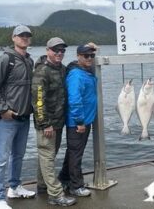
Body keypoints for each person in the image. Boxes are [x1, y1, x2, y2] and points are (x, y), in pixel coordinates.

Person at [0, 25, 36, 209]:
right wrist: (2, 110)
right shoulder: (5, 59)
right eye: (21, 35)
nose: (24, 38)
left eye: (27, 36)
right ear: (13, 38)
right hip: (7, 119)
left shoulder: (29, 61)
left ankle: (14, 188)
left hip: (24, 118)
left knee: (18, 156)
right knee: (0, 159)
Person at [31, 37, 76, 206]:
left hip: (58, 122)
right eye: (56, 50)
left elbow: (74, 66)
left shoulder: (62, 69)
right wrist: (45, 124)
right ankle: (55, 194)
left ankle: (43, 186)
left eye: (62, 50)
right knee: (48, 156)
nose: (59, 53)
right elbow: (38, 100)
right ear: (47, 50)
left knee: (47, 156)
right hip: (48, 124)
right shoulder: (42, 71)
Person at [58, 43, 98, 197]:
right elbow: (74, 99)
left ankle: (64, 178)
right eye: (86, 56)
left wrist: (95, 47)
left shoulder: (85, 71)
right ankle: (76, 186)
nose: (89, 58)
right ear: (78, 56)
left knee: (72, 152)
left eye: (92, 56)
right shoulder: (76, 74)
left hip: (84, 120)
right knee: (76, 154)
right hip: (78, 122)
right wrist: (80, 121)